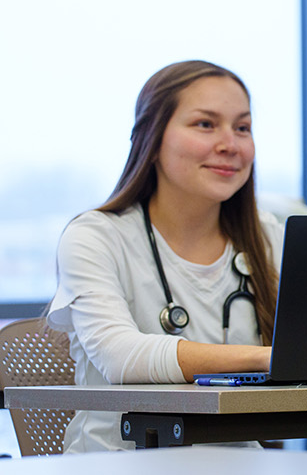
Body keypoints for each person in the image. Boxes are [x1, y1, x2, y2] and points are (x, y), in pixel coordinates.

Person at [46, 61, 282, 452]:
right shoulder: (95, 237)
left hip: (239, 464)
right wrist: (265, 358)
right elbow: (120, 357)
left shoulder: (266, 237)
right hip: (118, 463)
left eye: (242, 127)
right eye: (205, 124)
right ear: (152, 139)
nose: (230, 144)